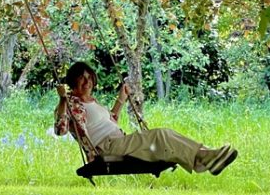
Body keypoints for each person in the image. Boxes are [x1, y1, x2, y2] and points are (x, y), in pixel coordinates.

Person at [53, 62, 237, 175]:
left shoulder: (93, 102)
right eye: (82, 79)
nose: (88, 82)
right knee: (161, 136)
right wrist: (62, 100)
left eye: (89, 78)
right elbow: (60, 130)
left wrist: (121, 99)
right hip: (106, 148)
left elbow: (111, 121)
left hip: (119, 141)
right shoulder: (71, 104)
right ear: (72, 82)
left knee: (165, 141)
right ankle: (205, 158)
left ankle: (205, 157)